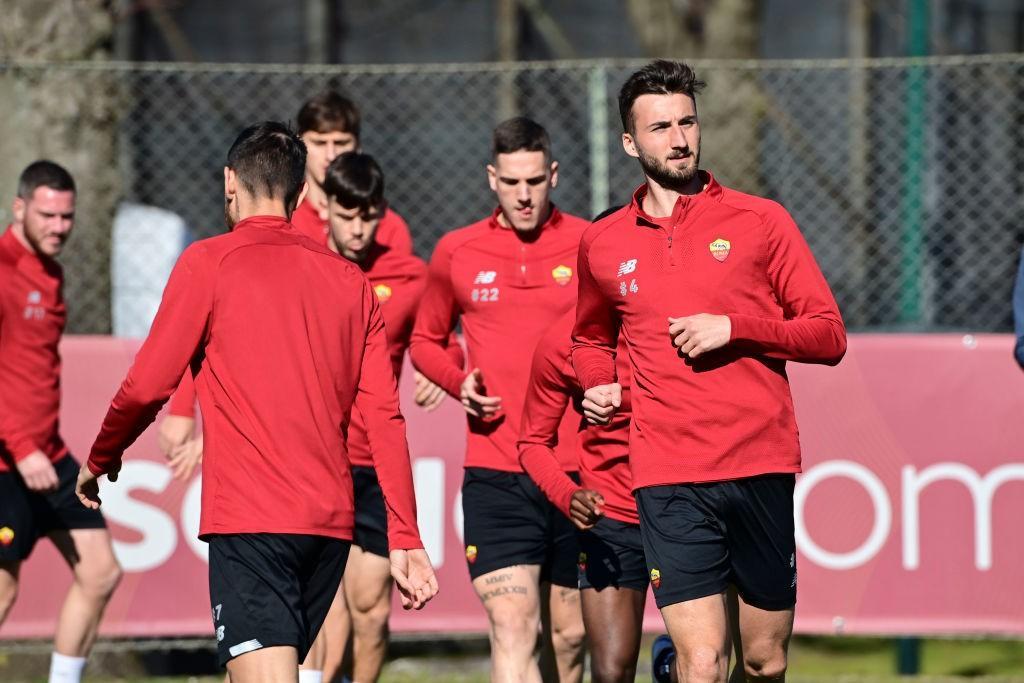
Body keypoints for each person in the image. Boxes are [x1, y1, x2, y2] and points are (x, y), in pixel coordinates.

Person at [75, 122, 438, 683]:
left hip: (254, 522)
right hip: (328, 529)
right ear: (300, 195)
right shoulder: (350, 281)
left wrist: (102, 457)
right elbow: (385, 419)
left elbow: (148, 384)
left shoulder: (209, 261)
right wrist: (406, 534)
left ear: (229, 181)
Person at [572, 60, 847, 683]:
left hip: (759, 463)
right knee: (701, 661)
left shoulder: (761, 221)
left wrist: (738, 327)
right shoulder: (604, 241)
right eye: (661, 126)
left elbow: (828, 334)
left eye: (687, 122)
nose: (678, 138)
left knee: (764, 659)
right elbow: (589, 338)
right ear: (629, 141)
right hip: (667, 474)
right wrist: (596, 383)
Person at [410, 117, 589, 682]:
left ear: (553, 175)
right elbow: (425, 340)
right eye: (512, 182)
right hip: (496, 472)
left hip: (578, 470)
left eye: (535, 181)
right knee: (513, 625)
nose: (524, 195)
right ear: (492, 178)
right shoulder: (457, 252)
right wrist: (454, 379)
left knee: (571, 637)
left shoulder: (590, 244)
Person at [309, 152, 458, 683]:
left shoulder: (409, 275)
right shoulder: (302, 267)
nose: (357, 227)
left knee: (370, 606)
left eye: (367, 215)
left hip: (373, 461)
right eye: (346, 215)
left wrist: (441, 369)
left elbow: (442, 335)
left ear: (381, 212)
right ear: (324, 207)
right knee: (325, 605)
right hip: (314, 460)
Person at [0, 161, 123, 683]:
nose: (58, 227)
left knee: (100, 571)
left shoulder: (50, 271)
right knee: (4, 588)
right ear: (20, 208)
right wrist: (19, 444)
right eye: (47, 215)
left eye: (66, 217)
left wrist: (36, 446)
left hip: (48, 457)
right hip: (10, 460)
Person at [517, 310, 643, 683]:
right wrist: (566, 494)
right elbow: (532, 442)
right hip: (614, 512)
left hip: (687, 504)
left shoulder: (676, 317)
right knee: (610, 672)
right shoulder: (563, 339)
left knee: (706, 665)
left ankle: (668, 665)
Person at [292, 90, 413, 255]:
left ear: (358, 146)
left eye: (341, 143)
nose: (331, 155)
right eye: (319, 143)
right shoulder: (286, 218)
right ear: (299, 145)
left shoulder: (388, 227)